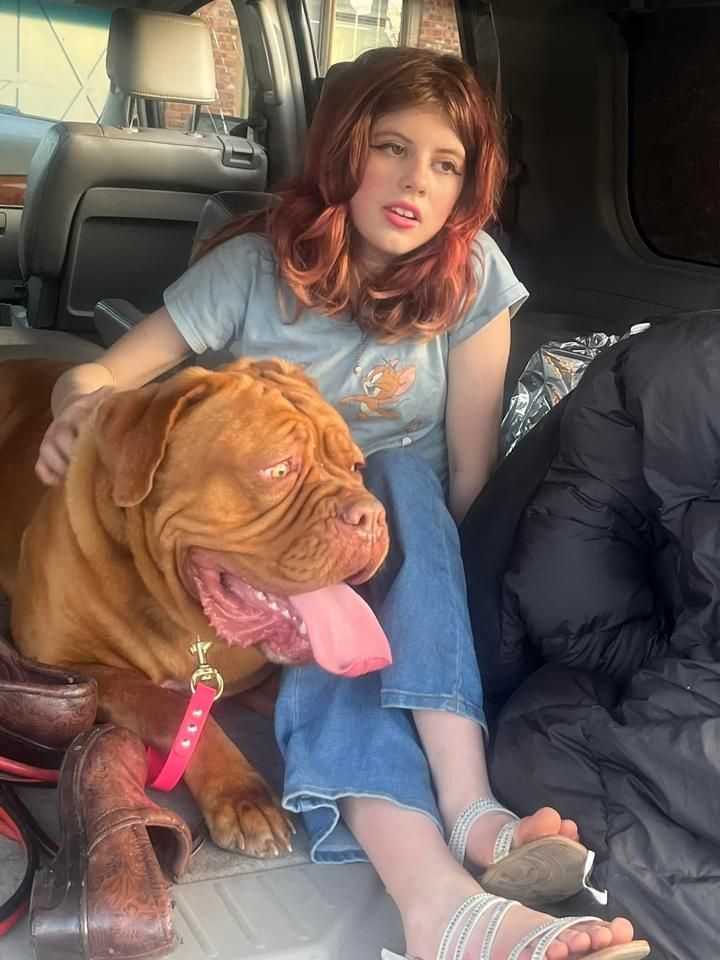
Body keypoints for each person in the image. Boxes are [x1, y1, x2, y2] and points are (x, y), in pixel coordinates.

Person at [35, 47, 648, 960]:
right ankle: (438, 891)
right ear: (343, 150)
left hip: (407, 538)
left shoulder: (472, 276)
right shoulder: (251, 267)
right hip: (287, 549)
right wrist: (71, 406)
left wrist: (471, 625)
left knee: (399, 476)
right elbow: (106, 373)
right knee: (344, 569)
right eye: (392, 148)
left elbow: (469, 477)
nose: (416, 183)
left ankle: (473, 810)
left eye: (447, 165)